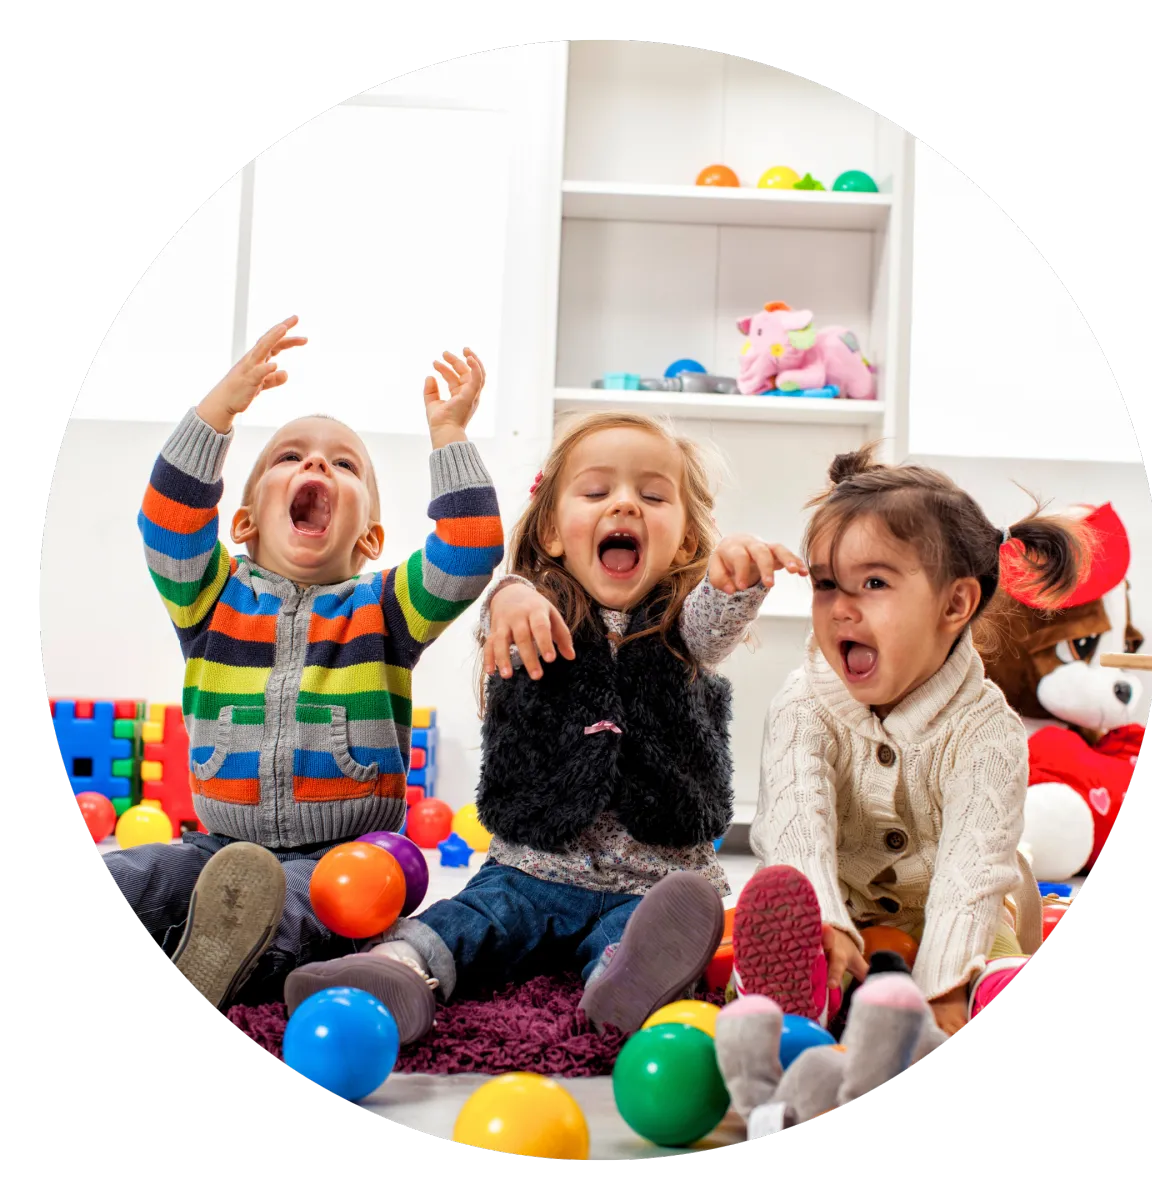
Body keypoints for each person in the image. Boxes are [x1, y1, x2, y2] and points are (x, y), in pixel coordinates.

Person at [287, 410, 805, 1040]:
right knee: (471, 921)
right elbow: (502, 622)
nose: (625, 506)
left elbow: (711, 623)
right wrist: (510, 594)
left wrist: (733, 580)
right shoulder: (532, 610)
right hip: (531, 870)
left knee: (638, 941)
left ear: (688, 542)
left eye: (651, 495)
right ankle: (395, 969)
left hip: (651, 884)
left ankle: (621, 985)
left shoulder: (681, 629)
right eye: (596, 492)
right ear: (556, 532)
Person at [105, 316, 503, 1013]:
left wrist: (450, 436)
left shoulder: (385, 609)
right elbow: (166, 520)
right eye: (290, 457)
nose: (316, 466)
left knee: (300, 910)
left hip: (342, 859)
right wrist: (219, 410)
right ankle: (199, 936)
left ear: (371, 537)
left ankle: (217, 955)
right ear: (246, 521)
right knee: (141, 873)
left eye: (344, 465)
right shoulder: (209, 597)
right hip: (215, 849)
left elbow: (470, 550)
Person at [734, 445, 1092, 1040]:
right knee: (784, 925)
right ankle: (789, 993)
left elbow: (972, 870)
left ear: (955, 603)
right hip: (841, 904)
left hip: (953, 915)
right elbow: (795, 823)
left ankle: (980, 984)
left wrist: (945, 988)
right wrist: (822, 922)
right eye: (825, 584)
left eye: (873, 582)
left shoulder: (988, 729)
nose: (841, 609)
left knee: (988, 961)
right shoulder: (804, 703)